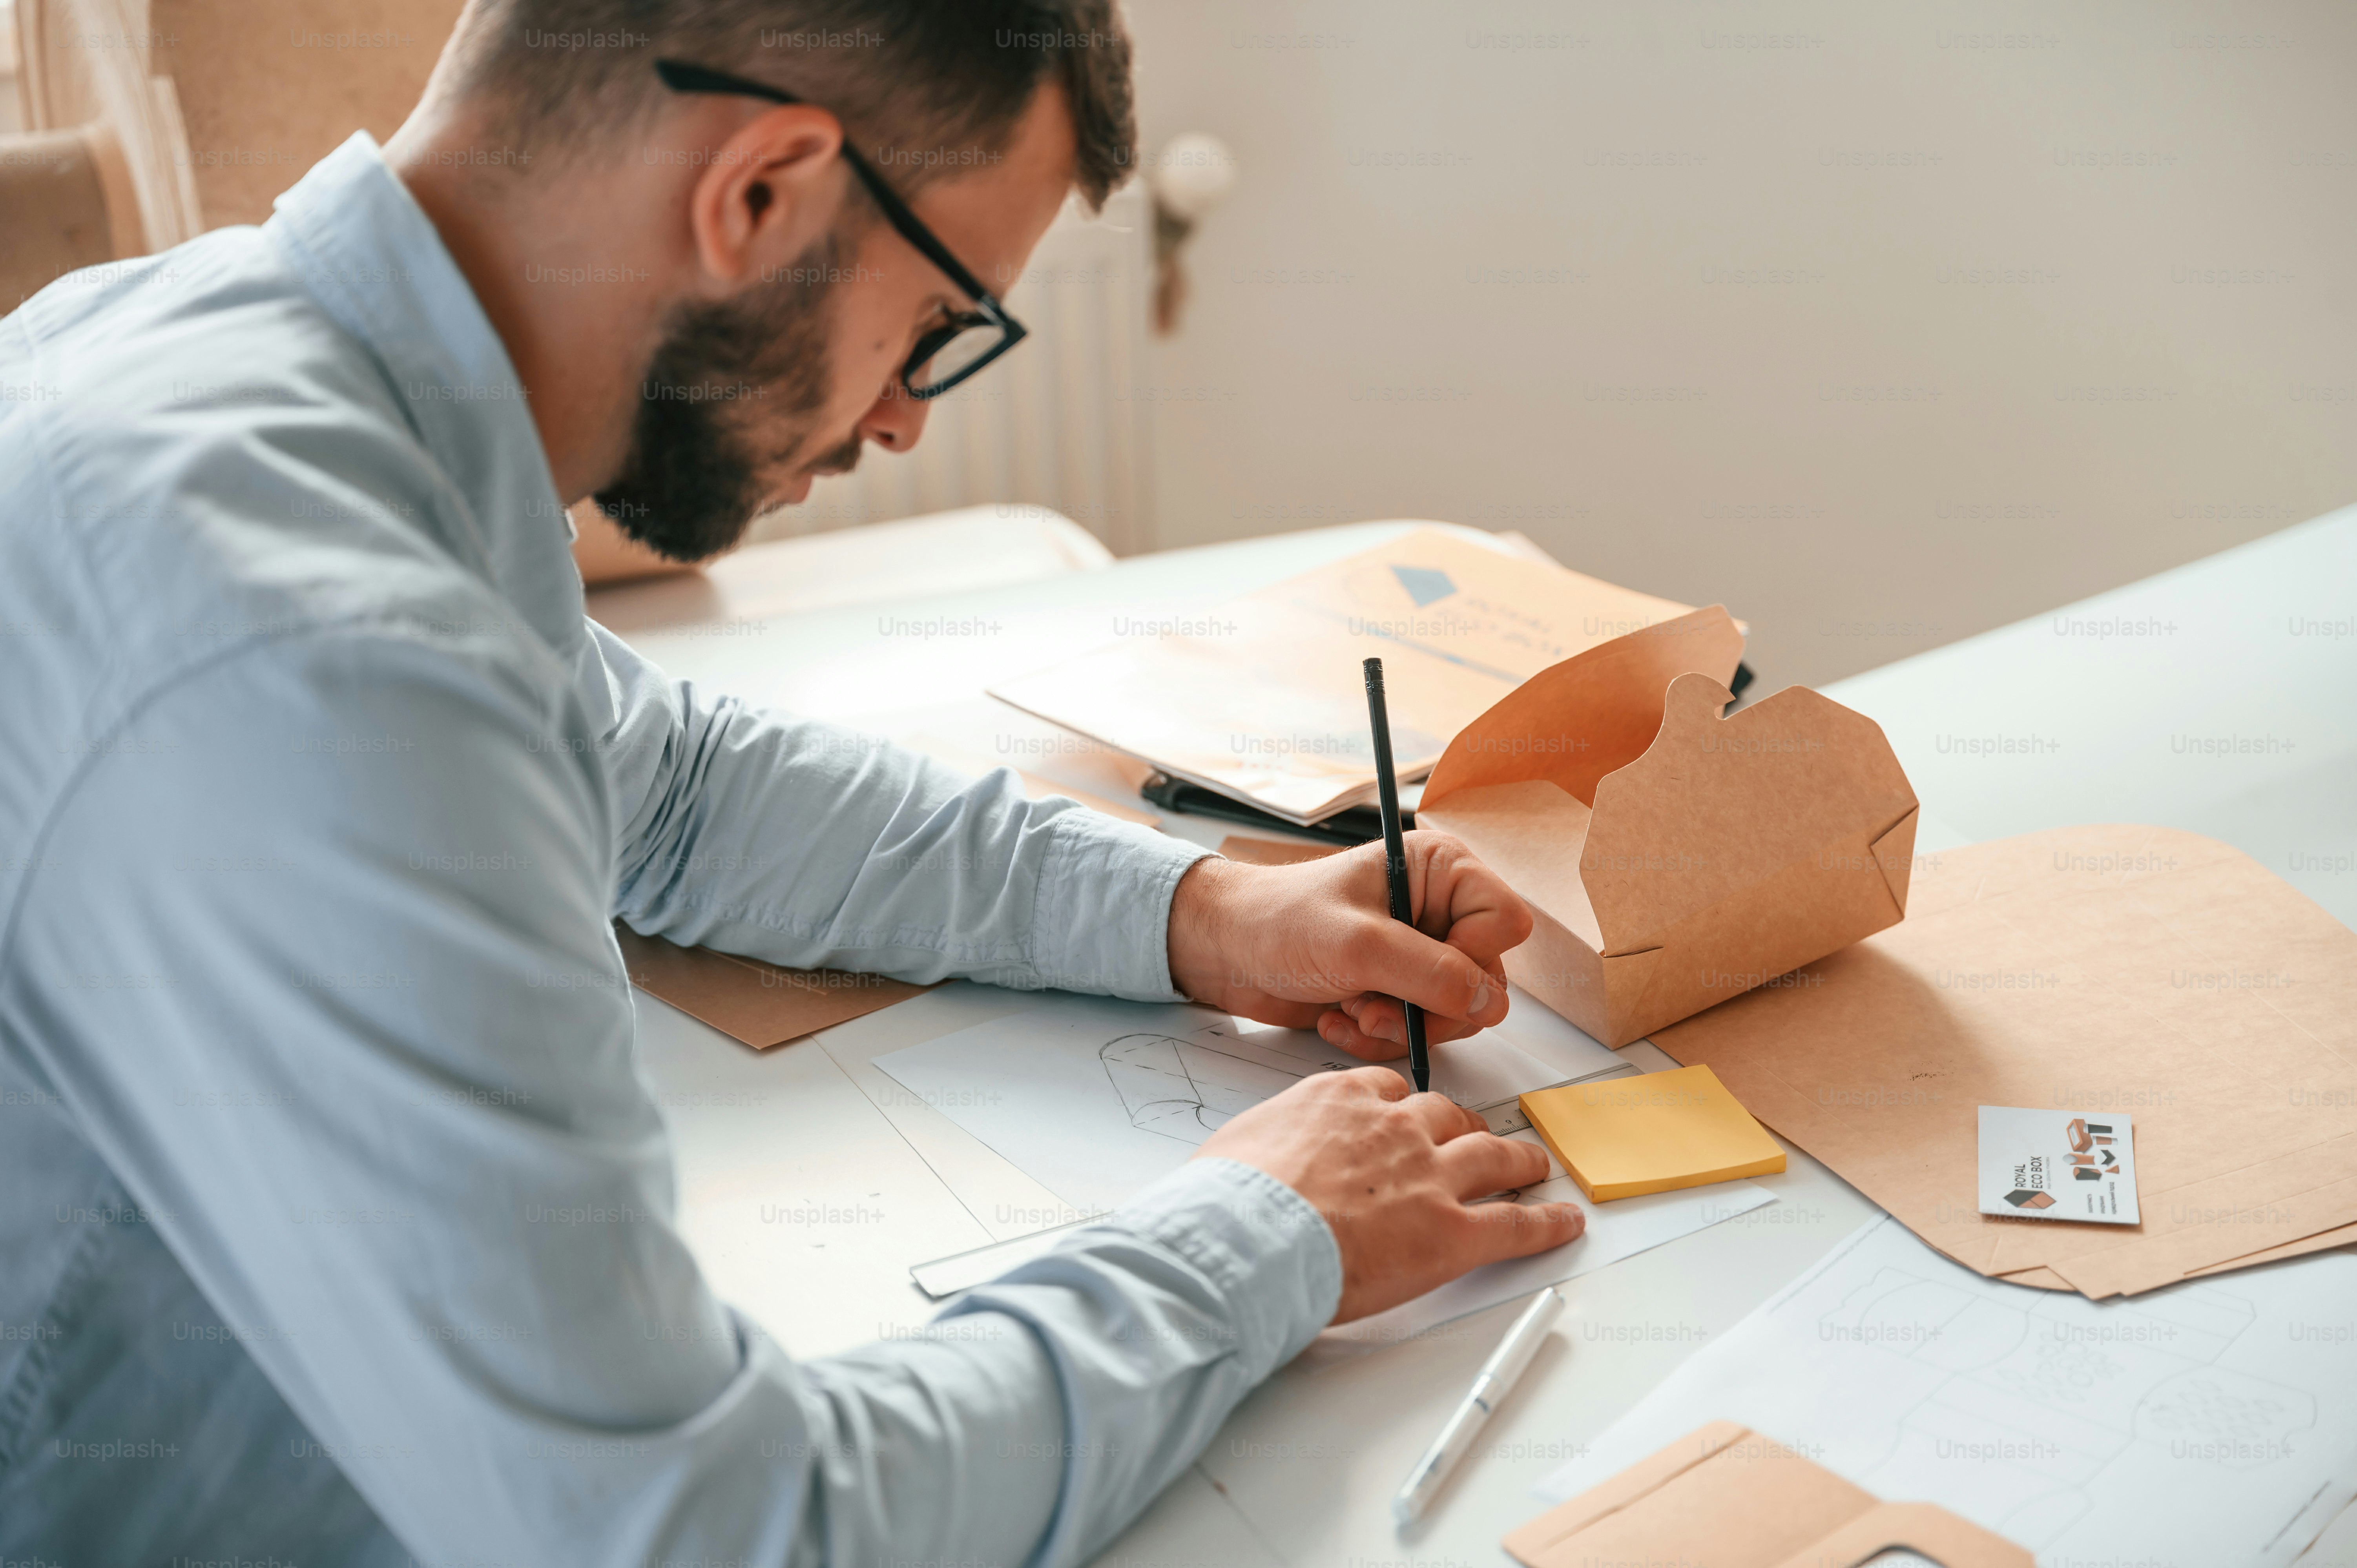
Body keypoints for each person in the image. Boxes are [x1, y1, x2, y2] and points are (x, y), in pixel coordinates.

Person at [0, 2, 1585, 1562]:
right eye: (936, 325)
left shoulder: (227, 367)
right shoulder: (311, 656)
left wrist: (1204, 913)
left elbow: (672, 788)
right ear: (759, 189)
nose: (903, 420)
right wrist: (1262, 1230)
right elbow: (715, 1531)